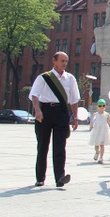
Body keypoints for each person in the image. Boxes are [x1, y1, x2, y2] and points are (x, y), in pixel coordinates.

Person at [29, 51, 80, 187]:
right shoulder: (44, 78)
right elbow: (34, 95)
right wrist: (38, 110)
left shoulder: (70, 79)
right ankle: (40, 177)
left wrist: (75, 117)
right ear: (54, 61)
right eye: (62, 61)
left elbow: (74, 100)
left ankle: (60, 177)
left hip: (61, 113)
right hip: (45, 112)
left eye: (66, 61)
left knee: (60, 146)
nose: (64, 64)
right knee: (43, 146)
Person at [89, 99, 110, 164]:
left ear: (105, 107)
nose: (102, 107)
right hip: (97, 130)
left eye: (103, 106)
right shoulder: (95, 114)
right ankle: (97, 152)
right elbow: (92, 121)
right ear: (97, 107)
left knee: (102, 144)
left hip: (104, 130)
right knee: (96, 144)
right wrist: (91, 126)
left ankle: (101, 157)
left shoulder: (107, 114)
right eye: (100, 106)